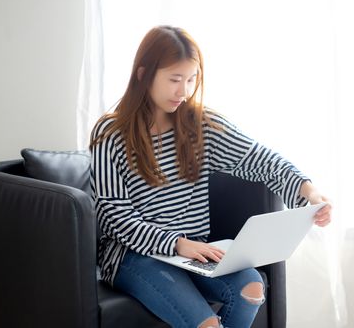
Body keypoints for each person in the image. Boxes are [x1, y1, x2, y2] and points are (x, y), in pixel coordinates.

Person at [89, 25, 332, 328]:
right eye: (174, 79)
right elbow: (114, 217)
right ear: (144, 74)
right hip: (133, 256)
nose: (184, 91)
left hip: (193, 252)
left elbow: (260, 159)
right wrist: (177, 243)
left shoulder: (200, 125)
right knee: (206, 325)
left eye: (192, 79)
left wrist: (309, 192)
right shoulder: (111, 133)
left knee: (251, 287)